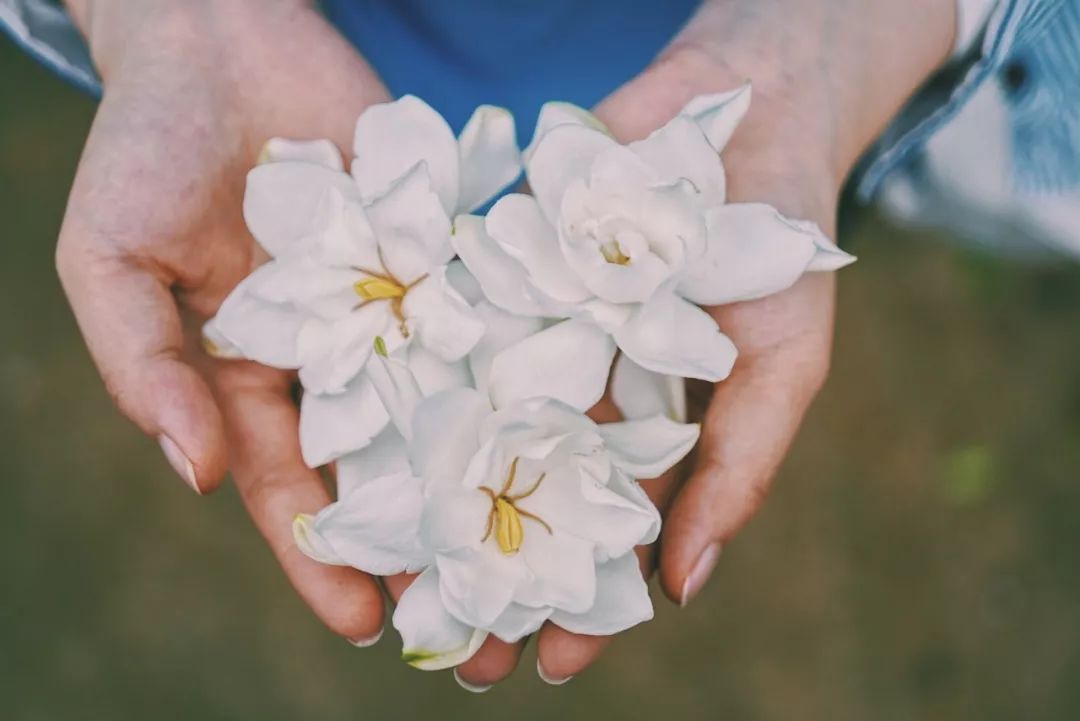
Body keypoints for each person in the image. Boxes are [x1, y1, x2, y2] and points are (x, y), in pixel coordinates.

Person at [2, 0, 1074, 692]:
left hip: (745, 59)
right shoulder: (431, 334)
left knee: (837, 194)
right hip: (308, 55)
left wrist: (850, 27)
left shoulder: (617, 279)